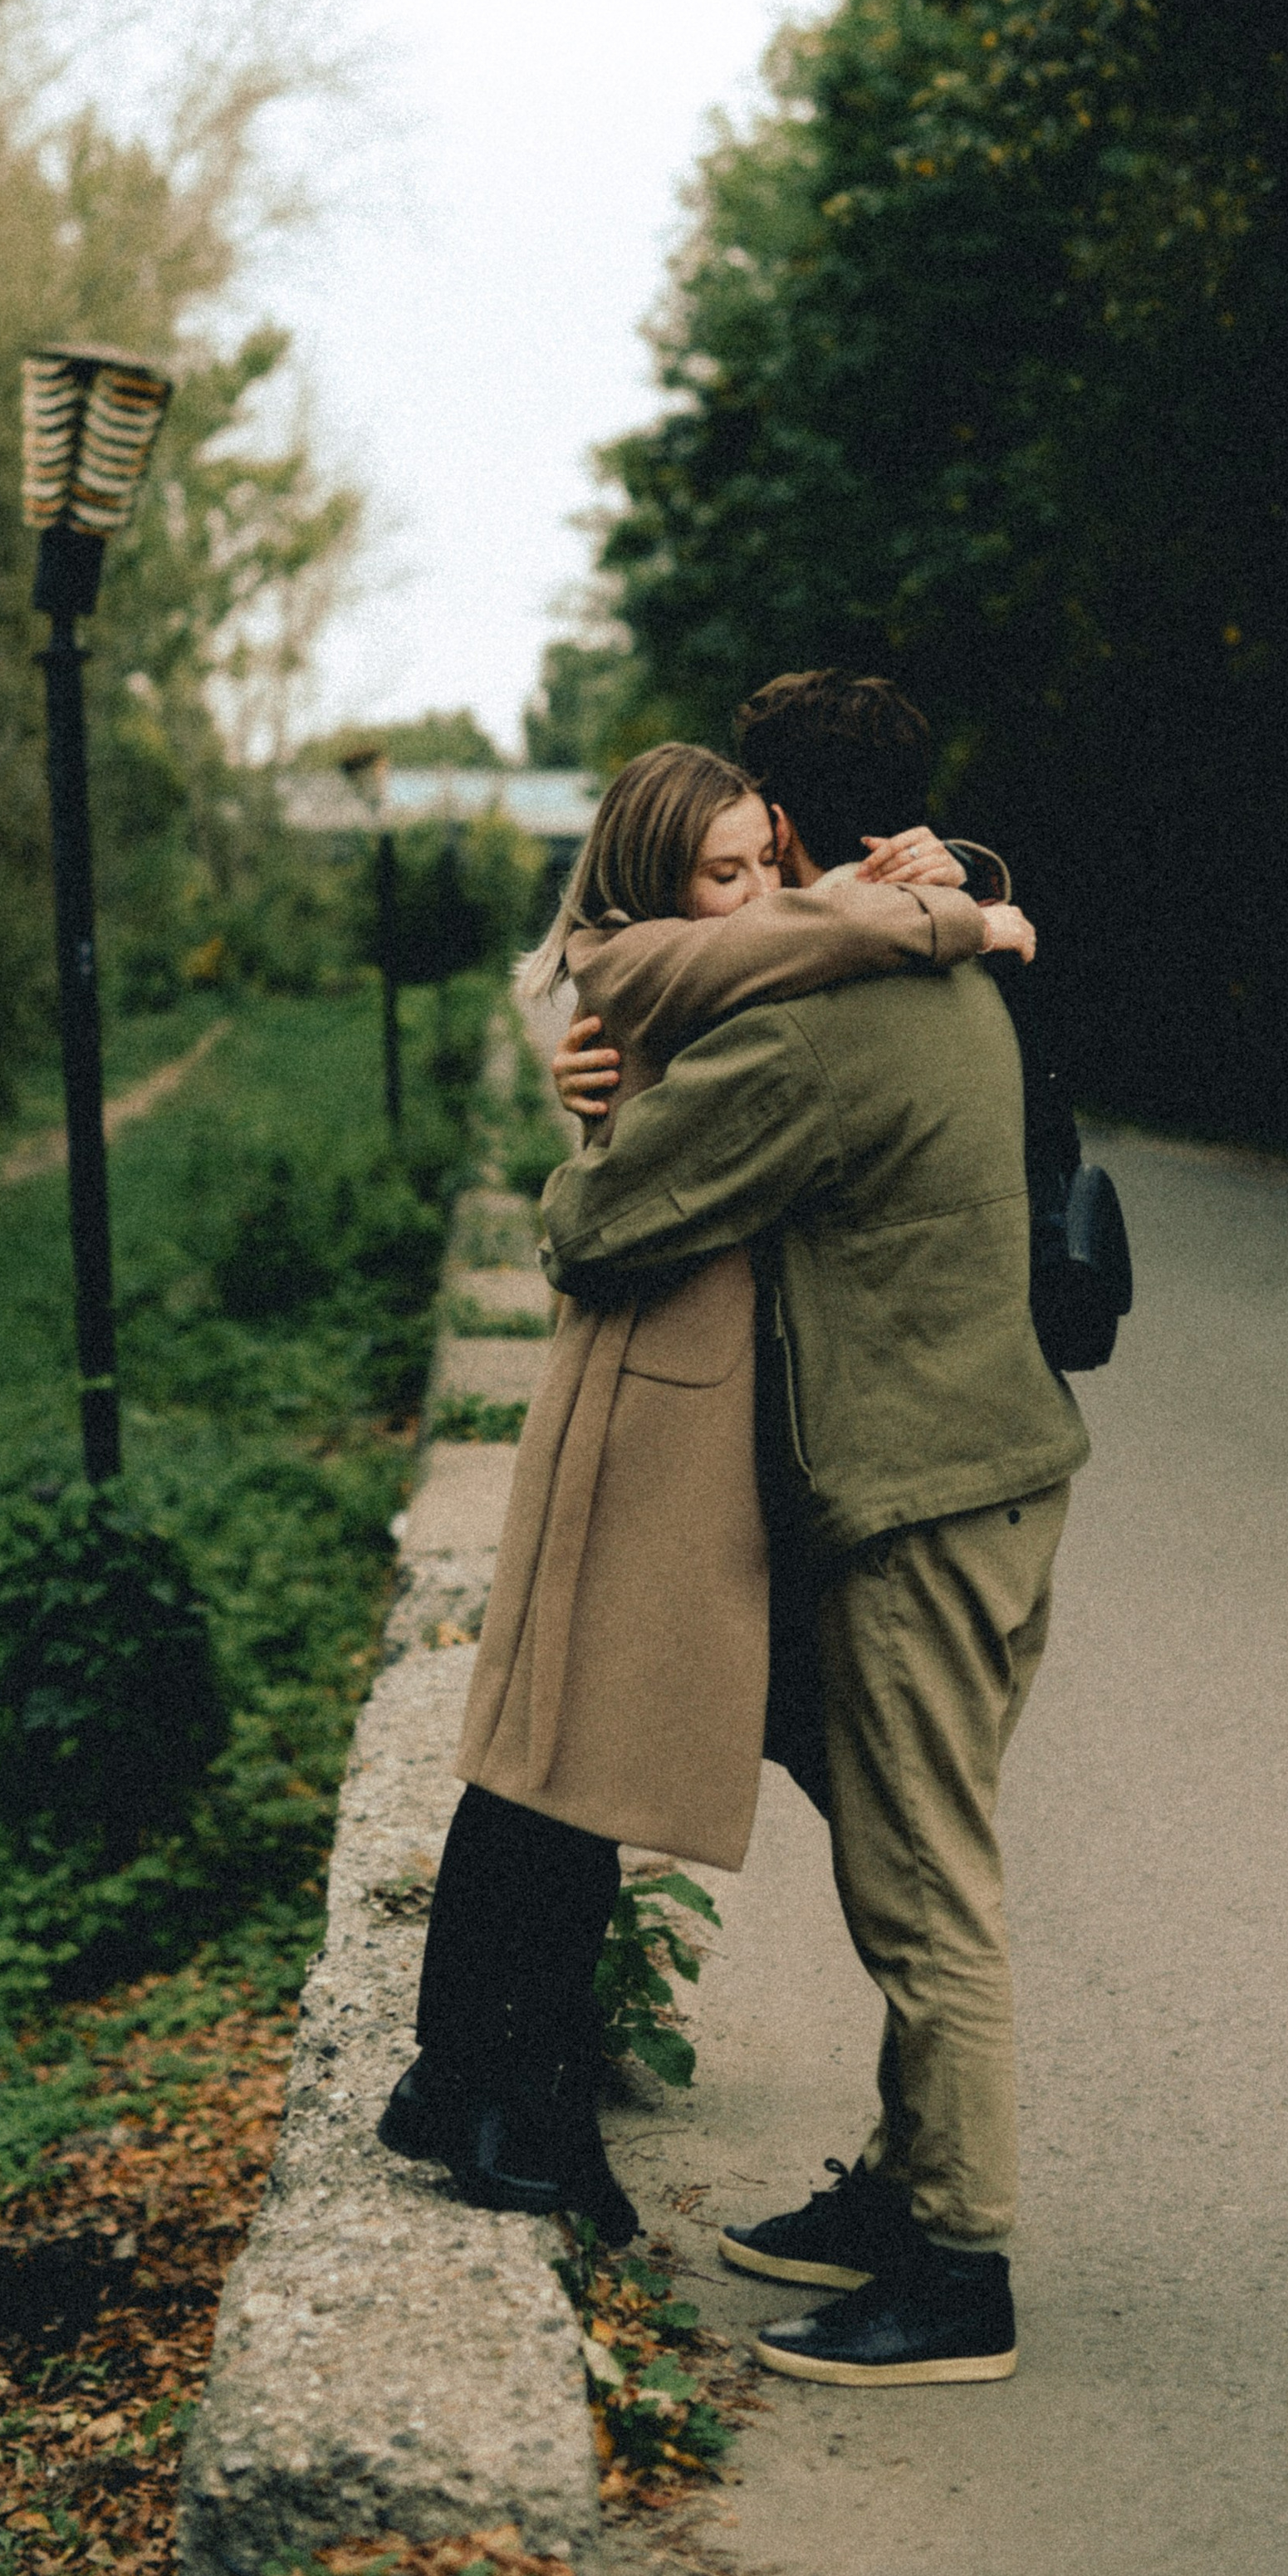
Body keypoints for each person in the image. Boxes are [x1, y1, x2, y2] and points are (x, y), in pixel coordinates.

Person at [377, 742, 1025, 2245]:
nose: (750, 896)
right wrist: (960, 917)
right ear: (653, 884)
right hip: (647, 1387)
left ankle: (468, 2076)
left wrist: (955, 879)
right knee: (569, 1752)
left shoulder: (708, 964)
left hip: (683, 1382)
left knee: (565, 1744)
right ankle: (498, 2094)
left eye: (760, 860)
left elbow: (808, 930)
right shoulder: (649, 954)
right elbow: (798, 945)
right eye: (715, 872)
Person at [540, 671, 1092, 2387]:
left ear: (779, 825)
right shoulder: (929, 960)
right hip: (988, 1477)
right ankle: (906, 2182)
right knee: (887, 1829)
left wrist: (588, 1126)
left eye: (744, 833)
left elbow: (604, 1220)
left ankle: (957, 2271)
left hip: (918, 1505)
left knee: (924, 1883)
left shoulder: (819, 1027)